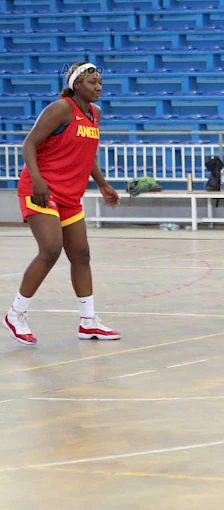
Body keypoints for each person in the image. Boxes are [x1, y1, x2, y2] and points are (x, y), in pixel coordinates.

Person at [3, 62, 121, 347]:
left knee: (81, 255)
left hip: (69, 195)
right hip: (40, 189)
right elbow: (29, 144)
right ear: (76, 84)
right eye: (92, 82)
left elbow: (86, 153)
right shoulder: (61, 109)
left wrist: (102, 183)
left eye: (100, 83)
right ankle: (16, 314)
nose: (98, 87)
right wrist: (38, 179)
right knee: (51, 249)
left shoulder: (95, 114)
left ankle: (88, 321)